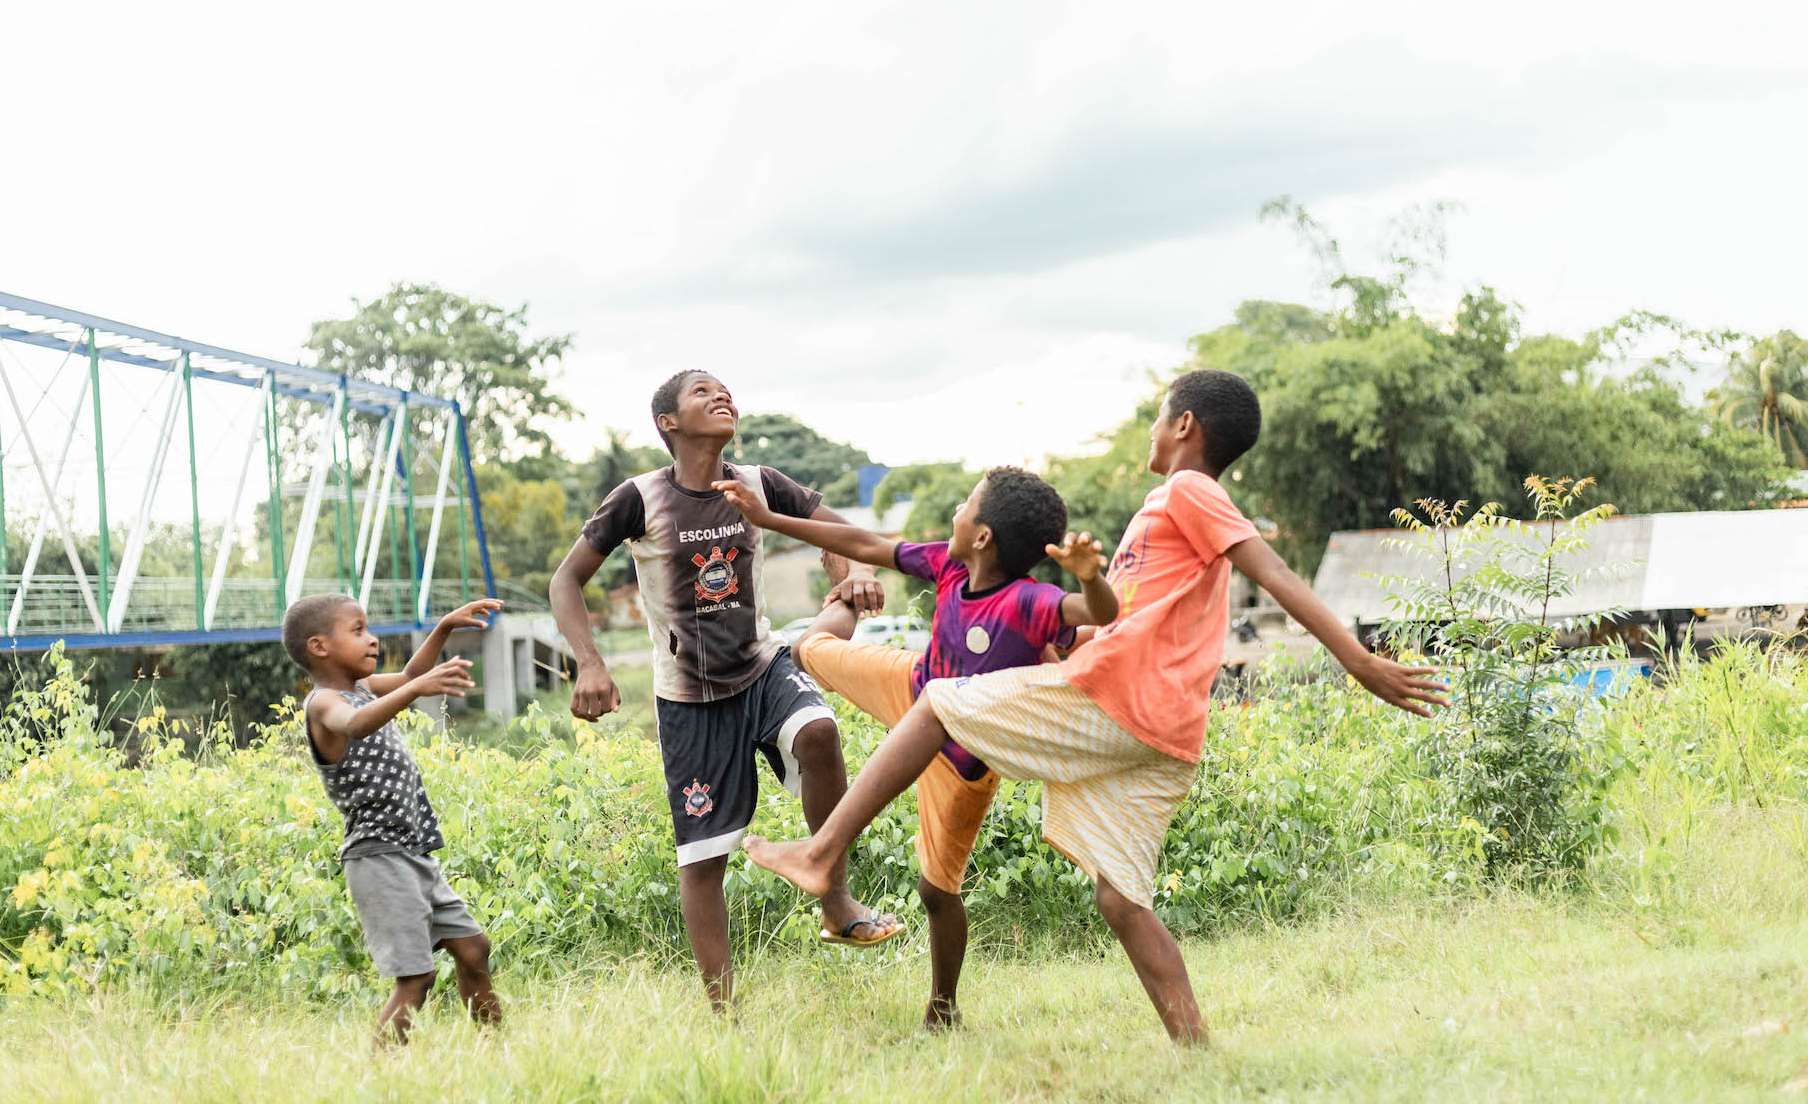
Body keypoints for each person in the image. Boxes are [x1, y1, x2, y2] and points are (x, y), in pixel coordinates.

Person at [740, 369, 1449, 1043]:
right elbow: (1120, 615)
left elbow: (1273, 571)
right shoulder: (1162, 513)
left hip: (1117, 700)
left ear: (1185, 425)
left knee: (938, 704)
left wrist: (1357, 660)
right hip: (1166, 733)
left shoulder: (1187, 492)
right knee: (1119, 899)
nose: (1151, 427)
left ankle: (821, 850)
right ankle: (1197, 1050)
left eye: (1156, 415)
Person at [711, 464, 1117, 1027]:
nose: (956, 511)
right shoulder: (947, 564)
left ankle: (943, 1007)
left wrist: (1091, 578)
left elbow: (1099, 613)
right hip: (910, 685)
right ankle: (846, 597)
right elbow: (863, 541)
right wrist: (770, 518)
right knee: (809, 649)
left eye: (966, 504)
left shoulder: (1032, 602)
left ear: (983, 536)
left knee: (936, 892)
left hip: (961, 759)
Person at [548, 370, 901, 1012]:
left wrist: (848, 577)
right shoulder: (640, 498)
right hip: (689, 698)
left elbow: (843, 535)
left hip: (760, 665)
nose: (721, 396)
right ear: (669, 423)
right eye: (701, 392)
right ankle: (722, 1010)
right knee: (704, 859)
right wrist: (590, 663)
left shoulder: (760, 484)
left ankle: (835, 896)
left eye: (725, 389)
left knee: (819, 731)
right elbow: (565, 581)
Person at [288, 593, 506, 1044]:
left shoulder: (362, 689)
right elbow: (356, 724)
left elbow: (410, 675)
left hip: (413, 850)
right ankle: (381, 1070)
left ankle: (497, 1048)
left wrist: (444, 627)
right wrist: (414, 691)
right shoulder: (324, 704)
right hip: (378, 856)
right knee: (416, 978)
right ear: (319, 647)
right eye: (358, 631)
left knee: (473, 950)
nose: (372, 639)